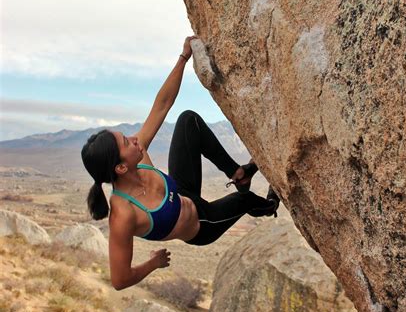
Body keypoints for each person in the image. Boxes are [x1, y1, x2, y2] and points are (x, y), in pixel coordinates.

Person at [81, 36, 279, 290]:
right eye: (125, 142)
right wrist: (152, 264)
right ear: (120, 167)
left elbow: (162, 105)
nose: (134, 139)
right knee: (246, 200)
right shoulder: (123, 214)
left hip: (184, 193)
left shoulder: (138, 159)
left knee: (188, 121)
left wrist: (183, 57)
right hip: (201, 225)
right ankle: (270, 205)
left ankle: (238, 173)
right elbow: (119, 280)